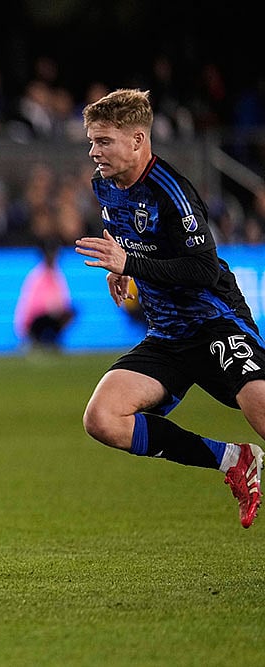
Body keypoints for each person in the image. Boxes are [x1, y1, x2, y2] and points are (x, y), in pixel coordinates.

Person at [74, 88, 265, 529]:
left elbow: (201, 268)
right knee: (102, 419)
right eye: (91, 141)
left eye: (104, 141)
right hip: (167, 334)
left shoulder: (173, 193)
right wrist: (122, 268)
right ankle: (234, 460)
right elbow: (128, 234)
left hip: (213, 322)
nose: (93, 151)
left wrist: (131, 263)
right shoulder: (105, 184)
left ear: (138, 140)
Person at [13, 239, 75, 351]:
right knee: (49, 316)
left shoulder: (56, 274)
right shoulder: (38, 275)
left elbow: (64, 299)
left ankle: (52, 339)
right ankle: (35, 339)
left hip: (51, 315)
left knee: (68, 313)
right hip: (35, 319)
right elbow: (32, 305)